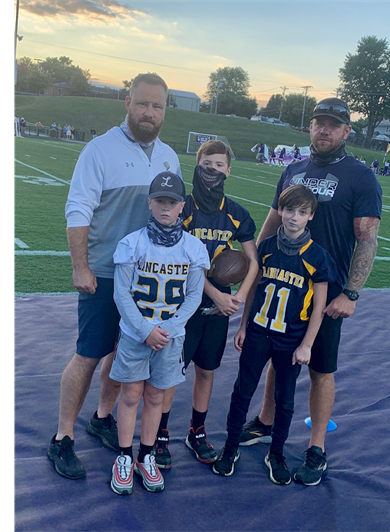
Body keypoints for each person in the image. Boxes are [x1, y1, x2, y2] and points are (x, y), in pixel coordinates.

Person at [236, 97, 382, 486]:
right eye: (319, 122)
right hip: (281, 284)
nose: (324, 129)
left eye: (333, 124)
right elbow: (271, 220)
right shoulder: (293, 169)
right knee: (274, 356)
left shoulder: (360, 176)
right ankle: (266, 421)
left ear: (346, 131)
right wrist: (252, 265)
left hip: (325, 294)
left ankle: (316, 447)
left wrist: (350, 293)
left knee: (320, 369)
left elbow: (367, 239)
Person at [49, 72, 182, 481]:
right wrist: (80, 266)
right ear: (127, 102)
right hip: (106, 272)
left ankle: (102, 417)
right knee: (89, 353)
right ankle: (63, 437)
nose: (149, 112)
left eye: (157, 106)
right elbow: (78, 211)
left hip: (147, 278)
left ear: (164, 111)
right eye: (142, 103)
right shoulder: (99, 150)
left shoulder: (169, 157)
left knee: (121, 357)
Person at [212, 184, 333, 484]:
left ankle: (276, 452)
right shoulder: (265, 248)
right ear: (280, 210)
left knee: (286, 400)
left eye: (302, 212)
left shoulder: (316, 256)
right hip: (257, 333)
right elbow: (252, 289)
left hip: (289, 339)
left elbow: (319, 308)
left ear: (310, 216)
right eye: (289, 210)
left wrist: (307, 345)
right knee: (242, 392)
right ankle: (229, 448)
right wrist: (242, 325)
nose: (294, 217)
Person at [155, 140, 259, 470]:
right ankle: (159, 433)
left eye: (219, 165)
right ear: (196, 165)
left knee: (206, 369)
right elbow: (177, 262)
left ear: (229, 170)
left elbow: (253, 262)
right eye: (207, 163)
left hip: (218, 308)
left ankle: (196, 431)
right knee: (172, 370)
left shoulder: (237, 214)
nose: (212, 170)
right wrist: (217, 294)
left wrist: (238, 298)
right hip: (180, 302)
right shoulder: (182, 207)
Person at [109, 171, 209, 495]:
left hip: (169, 336)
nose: (166, 208)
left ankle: (146, 455)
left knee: (155, 396)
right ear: (150, 203)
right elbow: (121, 294)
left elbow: (194, 296)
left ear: (182, 206)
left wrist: (165, 329)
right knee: (130, 395)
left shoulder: (194, 248)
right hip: (135, 333)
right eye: (160, 201)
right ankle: (124, 456)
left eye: (172, 202)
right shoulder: (132, 243)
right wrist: (145, 329)